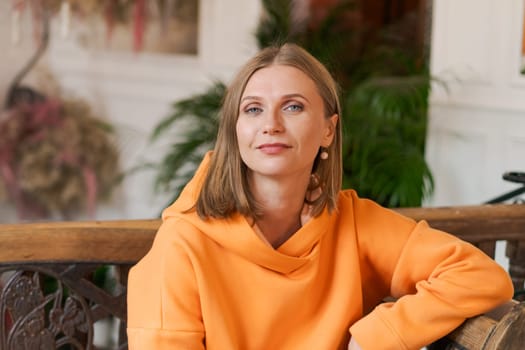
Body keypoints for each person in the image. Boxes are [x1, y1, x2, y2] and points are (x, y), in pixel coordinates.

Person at [127, 43, 513, 350]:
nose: (271, 125)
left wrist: (379, 335)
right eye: (253, 109)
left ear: (328, 130)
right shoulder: (182, 246)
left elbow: (482, 277)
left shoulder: (354, 223)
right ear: (235, 131)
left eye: (293, 107)